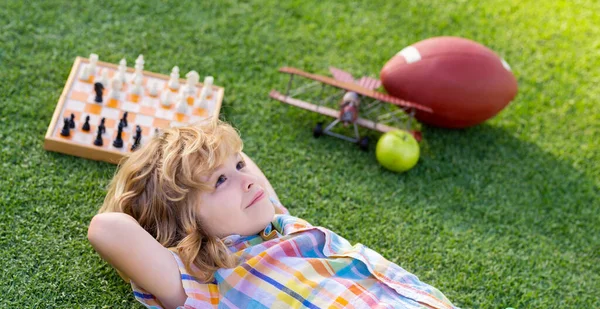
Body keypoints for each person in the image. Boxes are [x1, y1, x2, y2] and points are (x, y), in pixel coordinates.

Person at [88, 119, 459, 309]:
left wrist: (209, 152)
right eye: (220, 181)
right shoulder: (201, 281)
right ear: (183, 220)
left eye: (238, 167)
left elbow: (244, 161)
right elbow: (107, 229)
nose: (246, 180)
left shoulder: (279, 223)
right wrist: (160, 186)